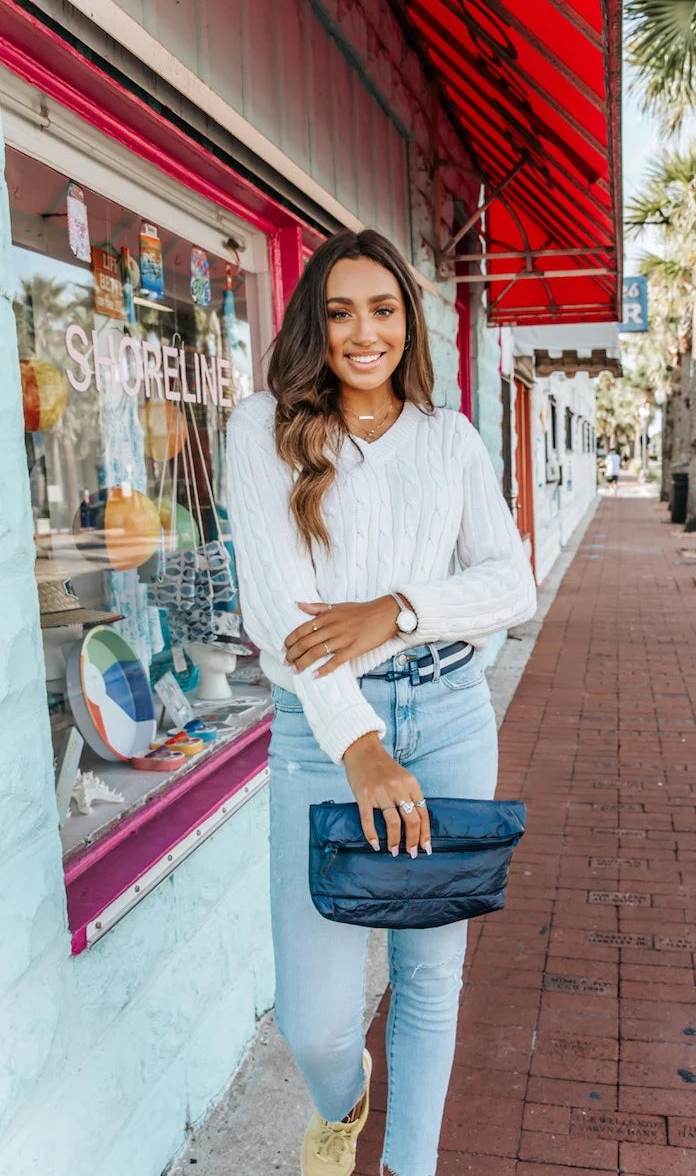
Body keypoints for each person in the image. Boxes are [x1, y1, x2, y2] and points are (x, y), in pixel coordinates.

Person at [226, 228, 536, 1176]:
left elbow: (510, 584)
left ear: (409, 319)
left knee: (429, 978)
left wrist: (396, 612)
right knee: (314, 1020)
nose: (364, 333)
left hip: (446, 717)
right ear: (313, 324)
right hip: (322, 743)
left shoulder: (451, 440)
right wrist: (361, 743)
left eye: (384, 309)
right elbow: (283, 617)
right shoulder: (262, 429)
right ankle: (346, 1100)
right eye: (340, 310)